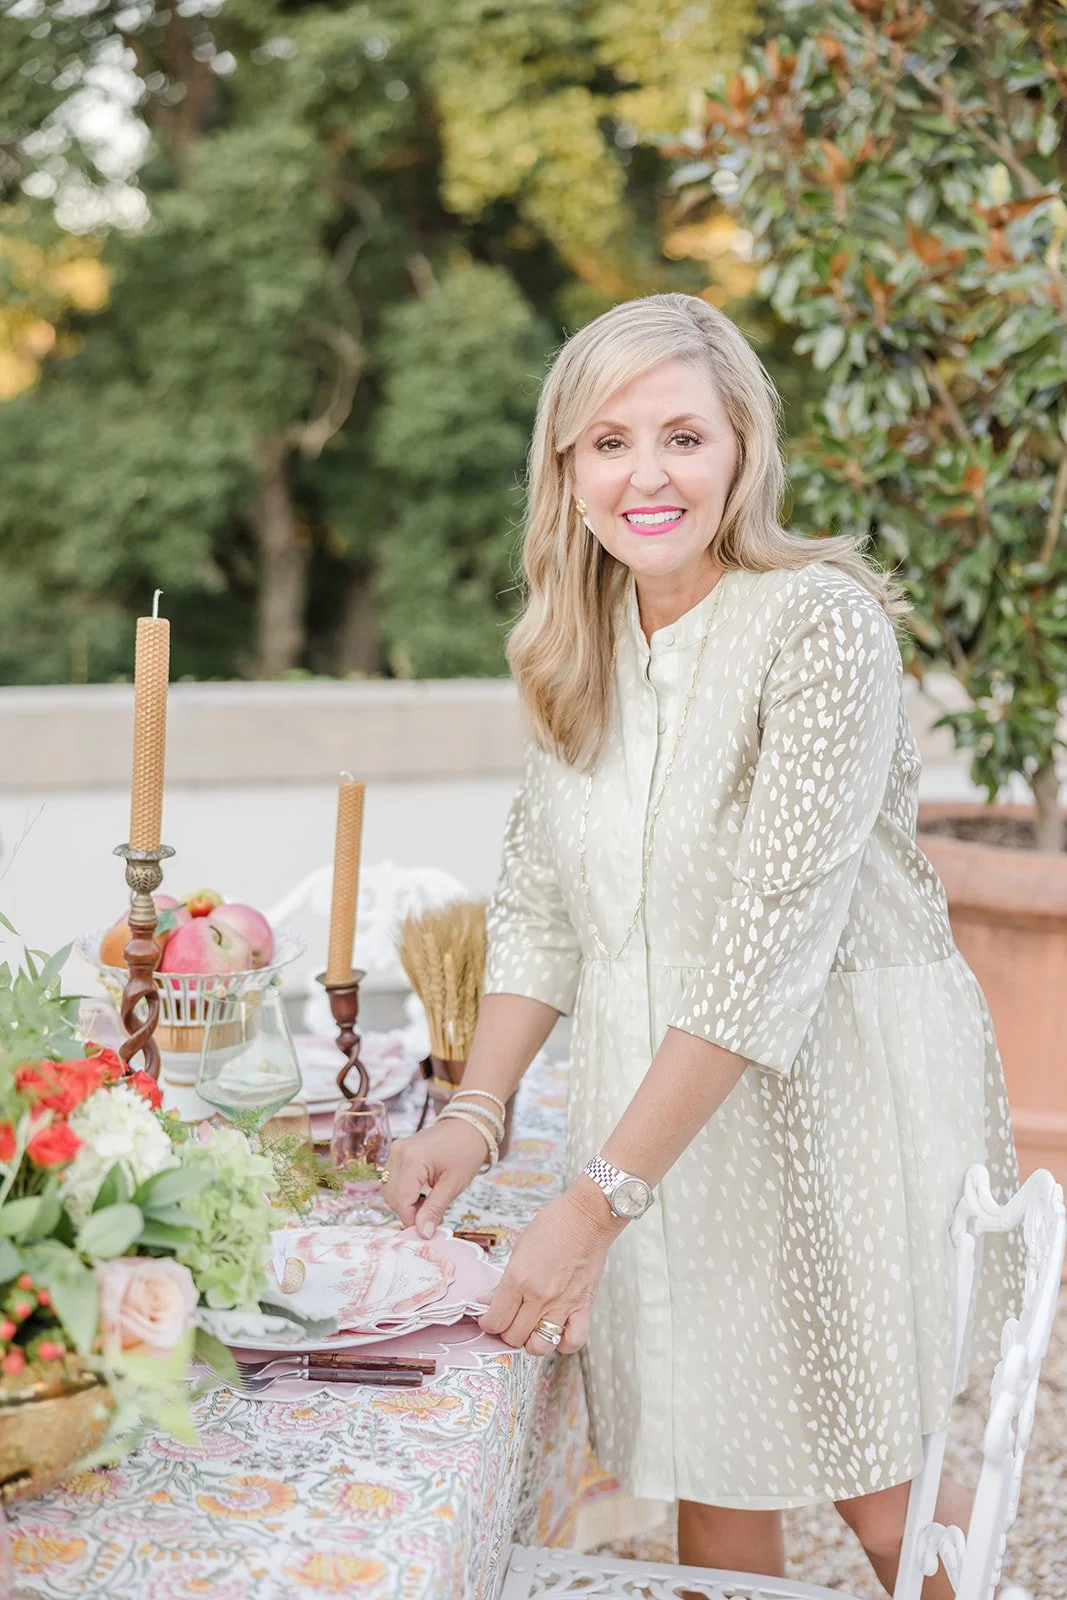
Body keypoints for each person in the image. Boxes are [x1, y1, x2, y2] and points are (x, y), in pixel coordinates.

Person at [382, 294, 1020, 1593]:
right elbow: (539, 909)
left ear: (742, 451)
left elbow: (767, 946)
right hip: (654, 1115)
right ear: (566, 469)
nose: (648, 475)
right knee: (712, 1477)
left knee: (886, 1504)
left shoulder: (819, 624)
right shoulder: (577, 647)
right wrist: (475, 1113)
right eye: (609, 442)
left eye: (683, 436)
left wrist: (592, 1206)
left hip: (829, 1106)